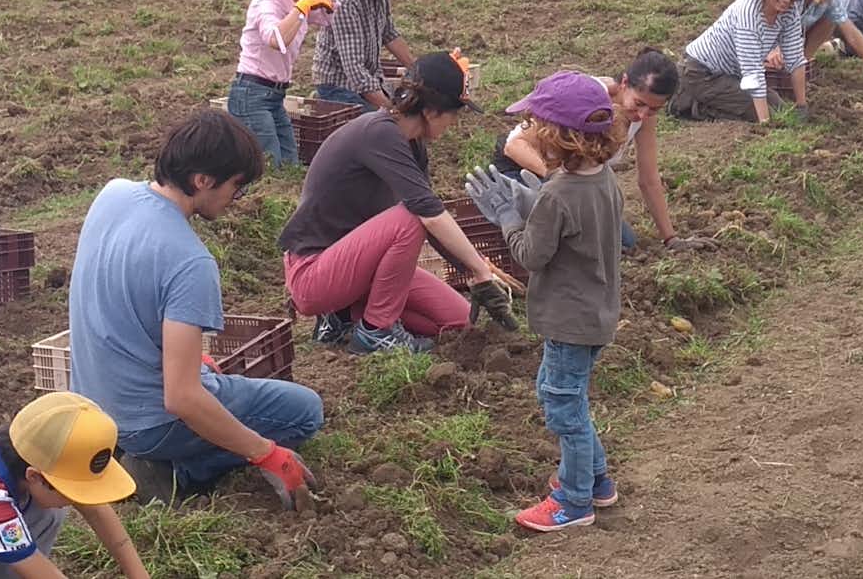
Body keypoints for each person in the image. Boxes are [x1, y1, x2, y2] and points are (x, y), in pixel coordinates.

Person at [69, 111, 322, 506]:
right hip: (147, 425)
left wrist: (194, 364)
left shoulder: (112, 194)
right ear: (202, 180)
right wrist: (267, 454)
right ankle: (171, 472)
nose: (235, 200)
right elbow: (182, 399)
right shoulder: (190, 262)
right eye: (236, 187)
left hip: (92, 406)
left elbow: (127, 309)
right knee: (304, 410)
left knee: (208, 379)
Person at [459, 73, 628, 533]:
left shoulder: (557, 192)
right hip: (596, 311)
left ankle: (573, 501)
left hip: (568, 319)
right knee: (562, 395)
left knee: (562, 407)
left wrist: (510, 217)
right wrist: (532, 199)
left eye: (534, 122)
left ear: (558, 135)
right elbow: (575, 227)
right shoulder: (602, 177)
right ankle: (595, 480)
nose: (527, 130)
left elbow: (531, 255)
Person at [282, 51, 522, 354]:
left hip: (357, 270)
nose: (455, 124)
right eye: (455, 114)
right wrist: (478, 268)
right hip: (314, 273)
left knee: (459, 322)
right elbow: (428, 214)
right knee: (411, 217)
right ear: (432, 112)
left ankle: (346, 318)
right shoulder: (379, 134)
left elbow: (434, 222)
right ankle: (375, 330)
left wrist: (474, 271)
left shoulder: (412, 144)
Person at [493, 49, 687, 248]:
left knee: (622, 243)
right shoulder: (585, 96)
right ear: (624, 83)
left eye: (654, 109)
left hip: (571, 181)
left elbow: (649, 179)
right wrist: (560, 181)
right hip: (525, 171)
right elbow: (514, 145)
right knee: (577, 241)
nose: (643, 114)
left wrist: (670, 238)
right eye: (639, 103)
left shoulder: (643, 117)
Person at [0, 393, 149, 579]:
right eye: (72, 491)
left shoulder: (28, 444)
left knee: (47, 510)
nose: (76, 500)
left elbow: (96, 511)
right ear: (35, 476)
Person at [227, 0, 338, 167]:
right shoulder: (267, 1)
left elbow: (325, 17)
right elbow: (276, 39)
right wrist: (301, 8)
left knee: (289, 165)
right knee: (268, 166)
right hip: (252, 94)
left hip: (274, 95)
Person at [668, 0, 818, 122]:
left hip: (732, 75)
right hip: (701, 72)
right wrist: (766, 123)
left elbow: (795, 59)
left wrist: (802, 106)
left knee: (781, 108)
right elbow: (753, 72)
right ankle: (687, 103)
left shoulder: (790, 12)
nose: (787, 0)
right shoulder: (749, 14)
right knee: (763, 113)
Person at [315, 0, 417, 112]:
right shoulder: (344, 0)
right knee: (384, 127)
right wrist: (390, 111)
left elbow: (389, 33)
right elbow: (353, 68)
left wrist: (417, 70)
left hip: (369, 78)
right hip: (339, 86)